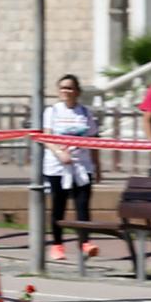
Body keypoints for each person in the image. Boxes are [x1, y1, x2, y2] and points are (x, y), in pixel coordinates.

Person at [42, 74, 100, 262]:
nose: (66, 91)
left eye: (70, 88)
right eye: (63, 88)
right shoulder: (52, 112)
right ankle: (57, 244)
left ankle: (85, 243)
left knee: (83, 205)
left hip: (81, 165)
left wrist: (97, 165)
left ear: (77, 91)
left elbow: (94, 139)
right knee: (59, 206)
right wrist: (60, 153)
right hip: (58, 166)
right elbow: (47, 137)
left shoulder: (85, 113)